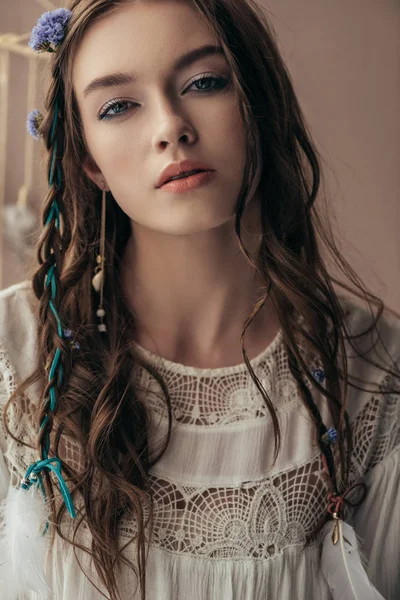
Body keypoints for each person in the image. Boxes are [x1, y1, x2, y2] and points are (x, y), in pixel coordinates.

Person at [0, 1, 399, 599]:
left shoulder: (375, 378)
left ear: (258, 102)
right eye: (118, 106)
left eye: (204, 82)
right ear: (89, 161)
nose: (170, 127)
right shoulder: (12, 355)